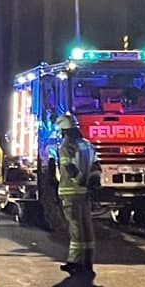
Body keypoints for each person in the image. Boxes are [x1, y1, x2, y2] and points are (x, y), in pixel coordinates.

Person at [53, 113, 96, 275]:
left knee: (76, 228)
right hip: (85, 194)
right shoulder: (87, 145)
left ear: (65, 130)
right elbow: (96, 167)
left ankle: (75, 262)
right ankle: (88, 262)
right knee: (86, 227)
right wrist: (90, 184)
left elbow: (69, 168)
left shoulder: (66, 146)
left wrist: (80, 181)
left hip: (71, 192)